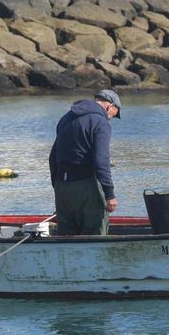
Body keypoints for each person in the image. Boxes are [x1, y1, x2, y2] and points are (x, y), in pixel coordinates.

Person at [48, 89, 122, 236]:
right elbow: (101, 160)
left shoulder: (65, 119)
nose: (110, 119)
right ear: (109, 106)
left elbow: (53, 157)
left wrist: (57, 186)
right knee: (94, 236)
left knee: (66, 238)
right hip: (87, 187)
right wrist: (109, 194)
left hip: (62, 187)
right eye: (113, 115)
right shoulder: (100, 122)